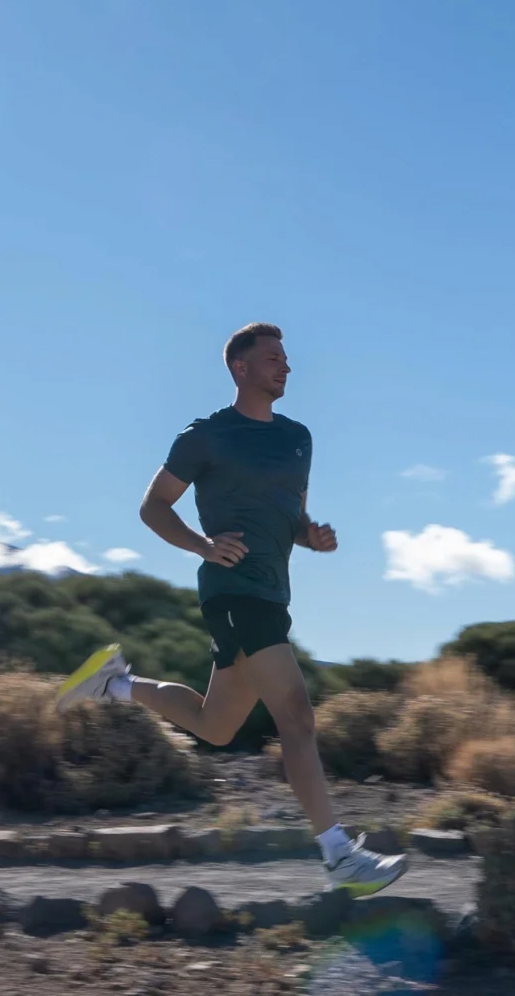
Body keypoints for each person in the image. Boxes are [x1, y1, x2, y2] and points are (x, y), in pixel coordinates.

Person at [58, 321, 405, 896]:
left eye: (286, 358)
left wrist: (310, 536)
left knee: (215, 726)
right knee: (296, 715)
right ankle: (339, 855)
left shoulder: (298, 439)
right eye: (273, 358)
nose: (285, 366)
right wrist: (202, 545)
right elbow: (153, 506)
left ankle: (114, 684)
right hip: (233, 590)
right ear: (240, 369)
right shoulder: (207, 436)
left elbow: (291, 516)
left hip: (272, 593)